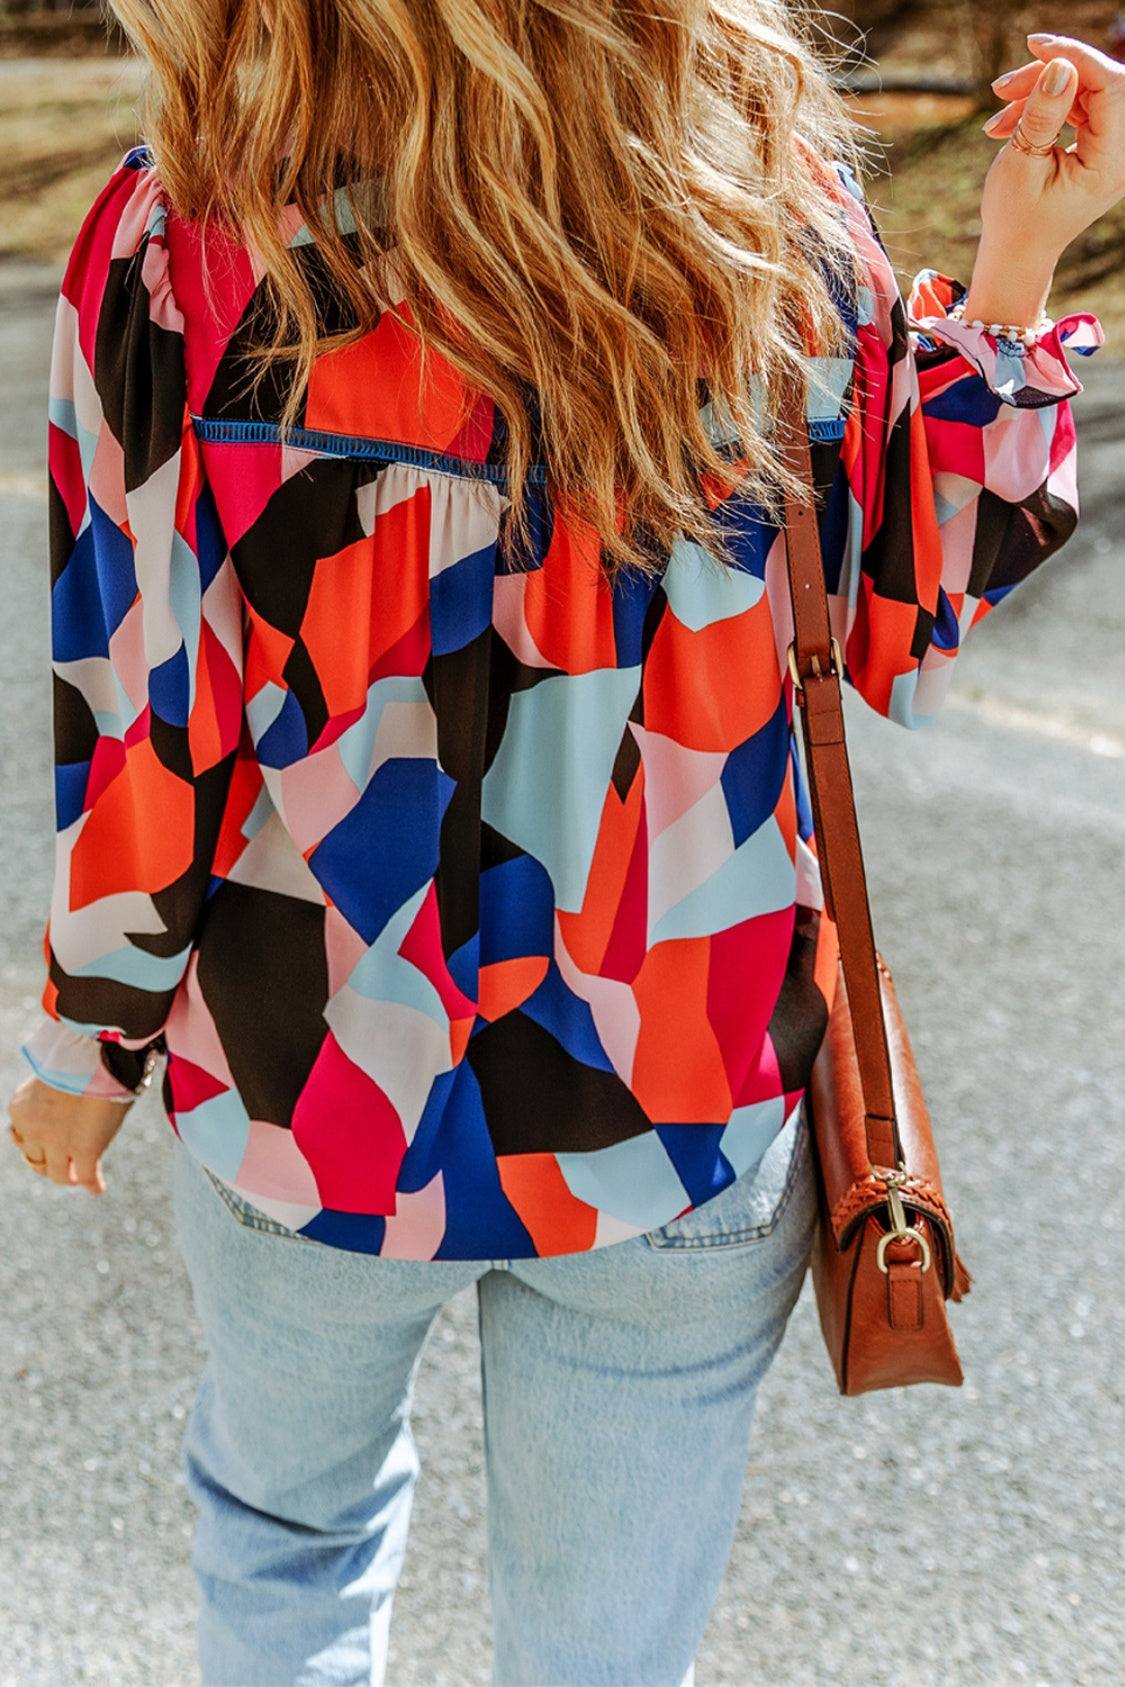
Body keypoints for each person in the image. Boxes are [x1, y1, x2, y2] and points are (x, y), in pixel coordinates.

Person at [7, 5, 1125, 1681]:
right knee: (600, 1655)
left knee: (286, 1549)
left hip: (306, 1087)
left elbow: (149, 700)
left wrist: (90, 1041)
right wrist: (1022, 256)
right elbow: (900, 616)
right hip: (678, 1072)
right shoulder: (760, 204)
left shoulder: (189, 239)